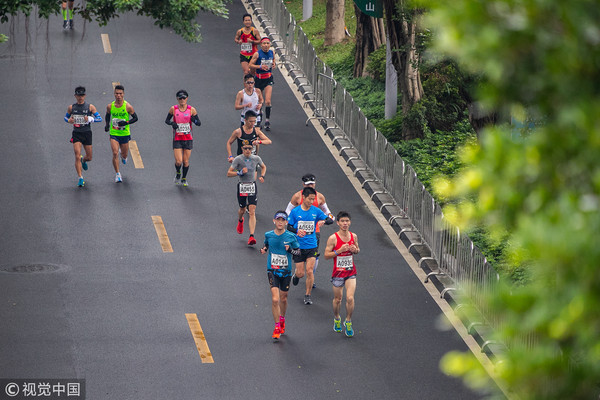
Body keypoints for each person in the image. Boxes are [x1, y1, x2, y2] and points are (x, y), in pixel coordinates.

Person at [286, 173, 335, 288]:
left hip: (315, 231)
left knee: (315, 255)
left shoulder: (320, 197)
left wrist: (326, 220)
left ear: (315, 183)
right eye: (308, 184)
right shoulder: (297, 196)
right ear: (303, 184)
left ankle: (311, 276)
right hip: (299, 232)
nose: (311, 186)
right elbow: (288, 212)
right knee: (300, 260)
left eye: (312, 183)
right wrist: (294, 226)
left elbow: (330, 214)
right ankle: (298, 274)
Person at [260, 211, 300, 340]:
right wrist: (264, 249)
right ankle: (277, 326)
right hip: (272, 270)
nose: (280, 222)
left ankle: (282, 318)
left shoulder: (291, 237)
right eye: (278, 220)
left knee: (283, 298)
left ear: (286, 222)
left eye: (283, 220)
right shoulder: (269, 235)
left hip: (286, 271)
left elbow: (298, 252)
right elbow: (266, 244)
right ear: (274, 221)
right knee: (275, 299)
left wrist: (290, 250)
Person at [324, 211, 359, 337]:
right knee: (338, 300)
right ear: (338, 223)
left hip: (350, 272)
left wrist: (355, 250)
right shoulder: (333, 238)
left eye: (347, 221)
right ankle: (337, 318)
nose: (345, 223)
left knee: (350, 298)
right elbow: (326, 255)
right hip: (338, 273)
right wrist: (338, 251)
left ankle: (348, 321)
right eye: (342, 221)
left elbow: (357, 249)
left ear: (350, 222)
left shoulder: (353, 236)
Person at [227, 140, 266, 246]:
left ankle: (251, 236)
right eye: (245, 148)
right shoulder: (238, 159)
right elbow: (229, 173)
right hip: (242, 186)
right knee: (242, 209)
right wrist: (239, 172)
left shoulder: (256, 158)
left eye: (250, 148)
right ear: (242, 149)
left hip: (252, 185)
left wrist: (262, 175)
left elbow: (263, 166)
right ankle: (240, 220)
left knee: (252, 210)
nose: (248, 150)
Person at [64, 86, 102, 187]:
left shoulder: (90, 107)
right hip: (77, 133)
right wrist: (69, 121)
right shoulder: (71, 107)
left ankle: (83, 160)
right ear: (75, 96)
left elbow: (100, 118)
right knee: (77, 154)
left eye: (82, 95)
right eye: (78, 95)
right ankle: (80, 178)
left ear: (85, 96)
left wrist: (91, 118)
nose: (80, 97)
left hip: (87, 133)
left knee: (89, 157)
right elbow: (65, 117)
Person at [165, 89, 201, 187]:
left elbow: (199, 123)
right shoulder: (173, 109)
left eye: (184, 98)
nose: (182, 100)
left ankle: (184, 178)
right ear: (177, 99)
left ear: (187, 98)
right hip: (177, 138)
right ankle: (178, 173)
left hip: (188, 138)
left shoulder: (191, 109)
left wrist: (194, 120)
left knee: (185, 161)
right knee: (178, 161)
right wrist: (172, 123)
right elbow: (167, 120)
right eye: (180, 98)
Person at [104, 84, 138, 183]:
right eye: (117, 93)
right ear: (114, 94)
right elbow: (107, 115)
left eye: (120, 93)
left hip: (124, 133)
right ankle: (118, 174)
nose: (118, 95)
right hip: (114, 132)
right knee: (115, 153)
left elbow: (136, 118)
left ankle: (124, 157)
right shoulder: (110, 106)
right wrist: (107, 124)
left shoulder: (128, 106)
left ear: (123, 94)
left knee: (124, 154)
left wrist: (126, 122)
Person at [249, 37, 276, 131]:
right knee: (260, 101)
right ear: (261, 45)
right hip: (259, 79)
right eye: (264, 43)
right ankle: (259, 118)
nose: (266, 45)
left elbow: (273, 61)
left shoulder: (272, 52)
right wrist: (260, 66)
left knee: (268, 101)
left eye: (268, 43)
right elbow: (250, 65)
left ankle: (267, 120)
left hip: (268, 78)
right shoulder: (257, 54)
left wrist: (273, 64)